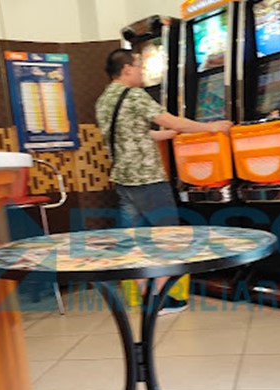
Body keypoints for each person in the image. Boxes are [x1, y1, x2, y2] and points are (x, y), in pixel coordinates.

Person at [96, 48, 232, 314]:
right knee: (169, 238)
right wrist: (210, 127)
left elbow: (134, 134)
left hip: (123, 180)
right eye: (139, 67)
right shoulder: (134, 95)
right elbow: (169, 119)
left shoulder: (104, 100)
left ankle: (147, 296)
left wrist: (167, 135)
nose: (142, 72)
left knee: (133, 241)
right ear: (126, 69)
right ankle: (159, 299)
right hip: (148, 180)